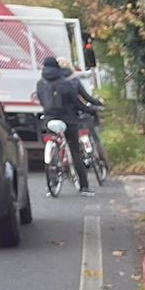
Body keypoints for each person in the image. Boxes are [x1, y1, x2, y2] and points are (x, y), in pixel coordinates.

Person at [36, 56, 103, 194]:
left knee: (53, 142)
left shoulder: (40, 83)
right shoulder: (66, 83)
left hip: (50, 120)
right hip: (68, 120)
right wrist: (91, 110)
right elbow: (77, 104)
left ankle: (52, 181)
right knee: (75, 152)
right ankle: (84, 187)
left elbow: (42, 101)